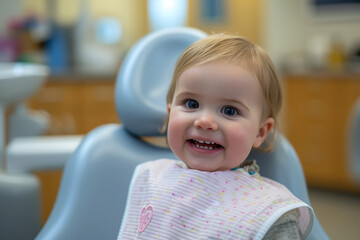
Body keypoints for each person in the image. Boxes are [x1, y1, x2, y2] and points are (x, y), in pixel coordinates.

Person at [117, 34, 314, 240]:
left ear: (260, 132)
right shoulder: (152, 180)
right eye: (191, 104)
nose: (204, 121)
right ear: (170, 113)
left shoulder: (266, 212)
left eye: (229, 110)